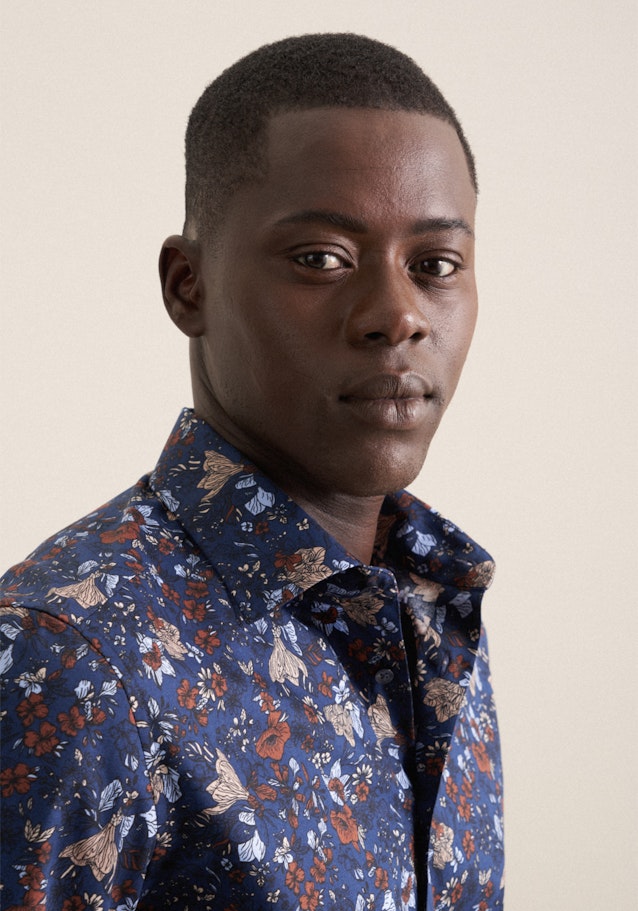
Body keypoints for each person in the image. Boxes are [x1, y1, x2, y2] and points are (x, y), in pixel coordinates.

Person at [0, 33, 504, 911]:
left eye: (435, 266)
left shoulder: (431, 602)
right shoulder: (71, 656)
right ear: (187, 284)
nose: (397, 316)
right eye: (321, 258)